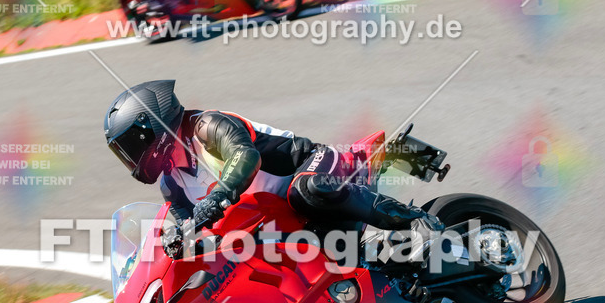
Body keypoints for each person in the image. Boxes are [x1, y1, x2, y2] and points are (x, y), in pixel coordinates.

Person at [103, 79, 444, 238]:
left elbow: (244, 156)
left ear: (154, 125)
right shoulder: (170, 183)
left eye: (131, 146)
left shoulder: (207, 126)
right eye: (124, 152)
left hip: (311, 167)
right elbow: (187, 226)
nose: (132, 158)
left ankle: (414, 221)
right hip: (273, 218)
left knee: (305, 191)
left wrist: (218, 196)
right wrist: (176, 241)